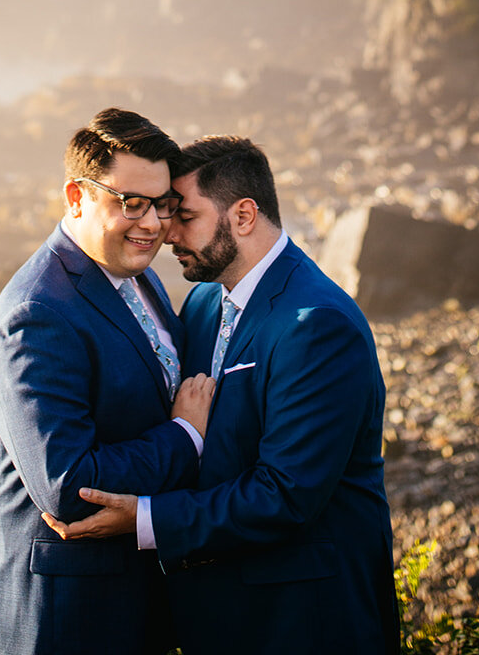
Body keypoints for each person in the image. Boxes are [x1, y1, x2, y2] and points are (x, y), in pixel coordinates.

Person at [44, 134, 400, 655]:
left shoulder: (318, 325)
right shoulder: (205, 302)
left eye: (183, 215)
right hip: (218, 618)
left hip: (306, 621)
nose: (167, 233)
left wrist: (143, 518)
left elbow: (286, 494)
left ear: (244, 215)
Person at [0, 107, 215, 655]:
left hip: (135, 600)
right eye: (131, 203)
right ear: (76, 197)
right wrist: (186, 437)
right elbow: (69, 485)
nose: (152, 223)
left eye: (162, 203)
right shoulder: (37, 313)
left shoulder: (138, 276)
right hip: (65, 618)